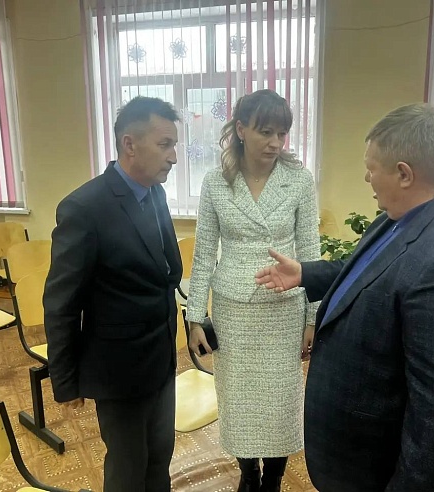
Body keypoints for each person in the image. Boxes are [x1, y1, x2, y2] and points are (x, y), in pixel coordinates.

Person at [255, 103, 434, 492]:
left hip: (385, 470)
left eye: (371, 167)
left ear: (404, 174)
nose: (366, 177)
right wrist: (306, 274)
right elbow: (371, 274)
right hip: (360, 458)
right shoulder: (408, 213)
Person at [43, 96, 183, 492]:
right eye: (165, 144)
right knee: (127, 469)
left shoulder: (155, 193)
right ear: (129, 144)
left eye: (174, 145)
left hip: (160, 359)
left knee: (159, 458)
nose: (173, 157)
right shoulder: (84, 208)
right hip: (118, 368)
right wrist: (66, 380)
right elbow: (61, 302)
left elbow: (164, 272)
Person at [186, 89, 320, 492]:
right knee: (240, 400)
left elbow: (310, 252)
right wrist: (195, 318)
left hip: (283, 309)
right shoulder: (216, 182)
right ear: (241, 130)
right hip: (234, 312)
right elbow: (203, 254)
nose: (275, 142)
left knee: (280, 401)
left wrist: (312, 318)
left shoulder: (299, 180)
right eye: (266, 132)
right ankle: (248, 473)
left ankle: (273, 478)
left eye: (282, 133)